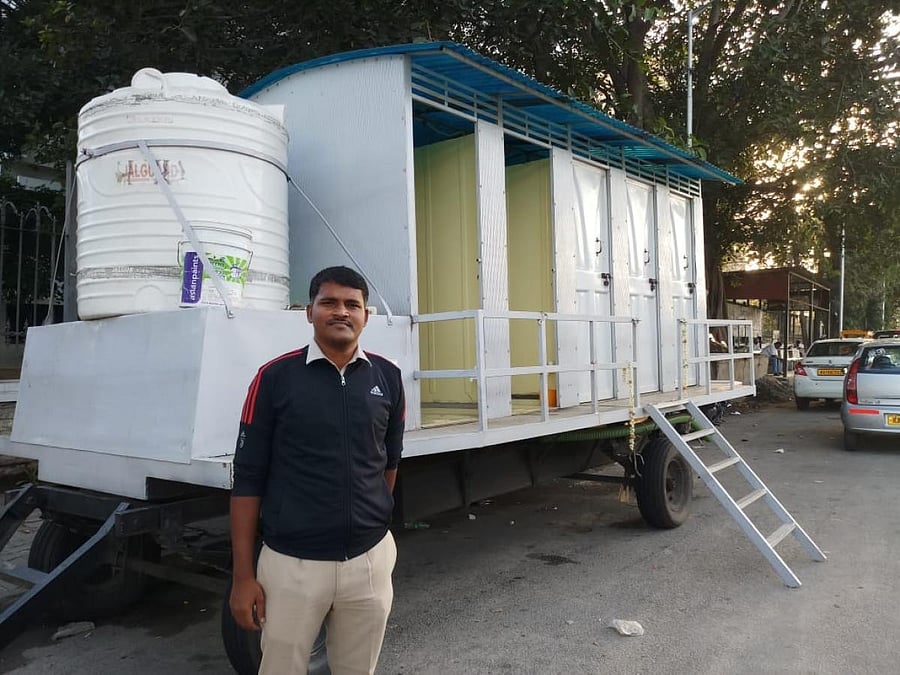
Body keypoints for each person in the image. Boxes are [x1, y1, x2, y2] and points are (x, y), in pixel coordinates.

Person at [230, 265, 405, 675]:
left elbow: (389, 462)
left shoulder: (387, 377)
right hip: (293, 565)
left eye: (352, 304)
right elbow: (248, 479)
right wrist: (242, 576)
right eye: (328, 302)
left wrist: (371, 520)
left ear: (366, 314)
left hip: (369, 561)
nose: (341, 312)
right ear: (309, 312)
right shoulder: (274, 378)